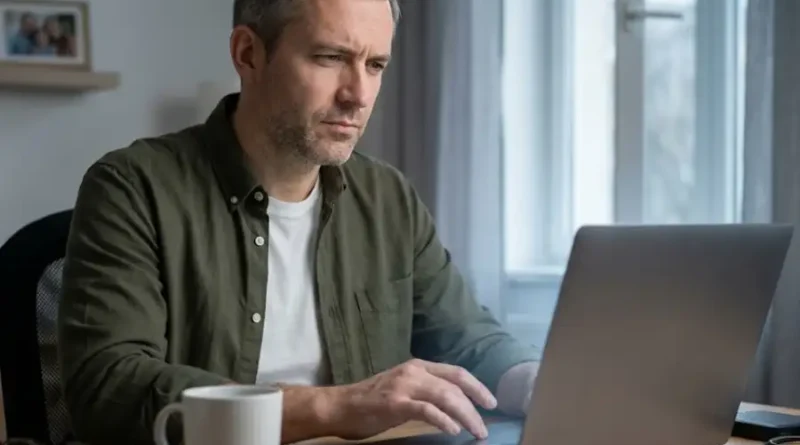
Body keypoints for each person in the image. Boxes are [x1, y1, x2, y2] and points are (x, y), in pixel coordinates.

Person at [57, 0, 540, 444]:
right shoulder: (131, 188)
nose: (358, 95)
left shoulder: (388, 198)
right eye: (330, 58)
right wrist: (337, 406)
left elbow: (468, 339)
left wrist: (542, 385)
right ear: (248, 54)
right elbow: (110, 387)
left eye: (375, 65)